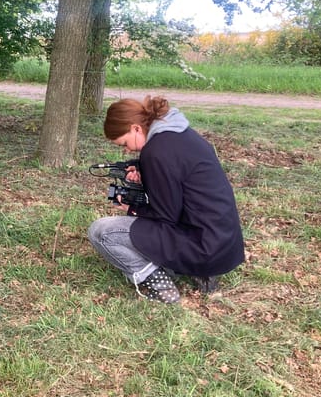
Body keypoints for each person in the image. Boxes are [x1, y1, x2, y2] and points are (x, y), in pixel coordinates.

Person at [88, 95, 244, 304]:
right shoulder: (180, 133)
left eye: (124, 143)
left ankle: (156, 280)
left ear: (135, 128)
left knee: (101, 232)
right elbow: (180, 183)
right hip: (223, 245)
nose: (127, 150)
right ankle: (198, 271)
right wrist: (145, 171)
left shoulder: (156, 152)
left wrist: (131, 207)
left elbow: (165, 216)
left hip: (201, 248)